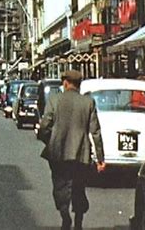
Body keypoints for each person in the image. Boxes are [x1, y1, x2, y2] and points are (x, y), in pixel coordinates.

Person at [39, 70, 105, 230]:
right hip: (81, 153)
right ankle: (79, 222)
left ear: (65, 83)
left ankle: (64, 215)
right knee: (78, 187)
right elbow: (95, 132)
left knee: (60, 186)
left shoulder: (55, 100)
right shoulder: (88, 102)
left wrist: (49, 140)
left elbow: (44, 126)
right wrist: (101, 158)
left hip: (58, 153)